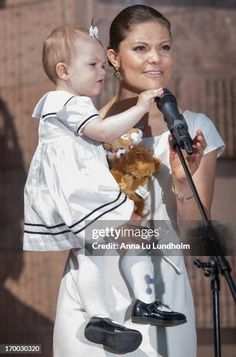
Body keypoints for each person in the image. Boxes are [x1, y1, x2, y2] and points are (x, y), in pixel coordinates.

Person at [52, 6, 225, 357]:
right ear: (113, 57)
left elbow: (197, 237)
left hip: (161, 293)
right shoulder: (85, 130)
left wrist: (181, 183)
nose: (156, 59)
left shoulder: (192, 129)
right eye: (141, 48)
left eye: (165, 47)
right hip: (93, 296)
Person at [23, 24, 186, 355]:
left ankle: (142, 302)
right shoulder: (68, 101)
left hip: (79, 190)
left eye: (102, 64)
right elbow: (99, 131)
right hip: (79, 193)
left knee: (121, 243)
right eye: (93, 65)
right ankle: (99, 317)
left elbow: (100, 137)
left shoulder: (65, 104)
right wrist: (140, 107)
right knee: (96, 253)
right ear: (64, 71)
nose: (102, 72)